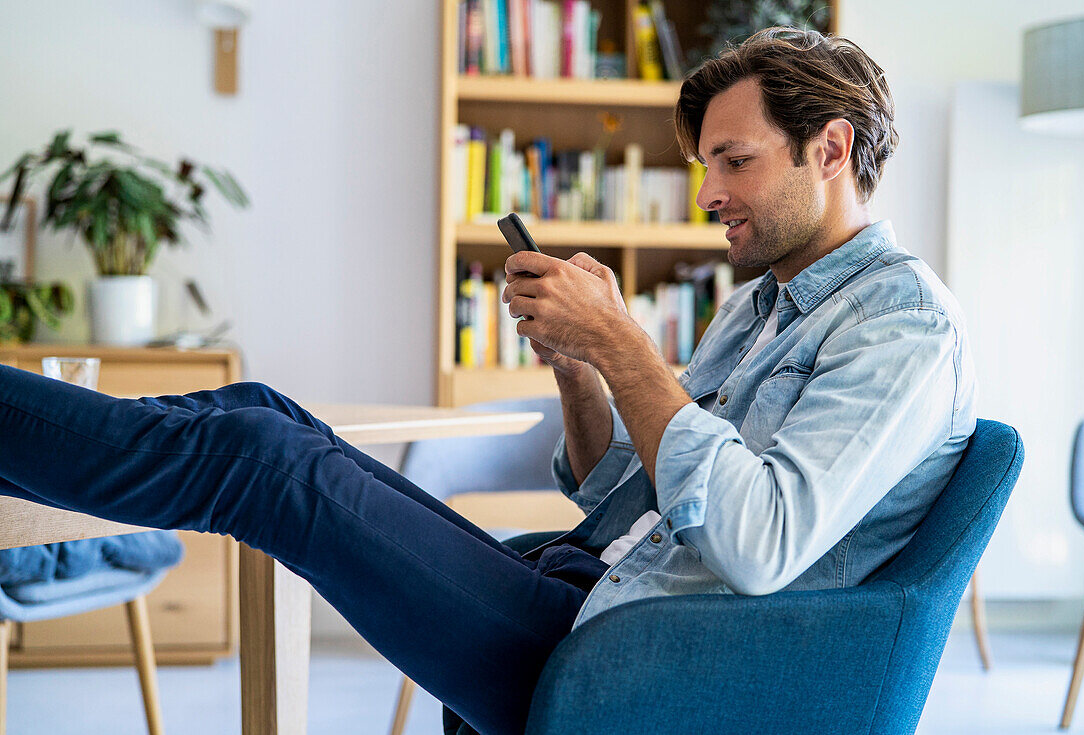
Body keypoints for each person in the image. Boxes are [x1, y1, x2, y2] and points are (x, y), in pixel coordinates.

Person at [0, 27, 973, 735]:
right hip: (583, 583)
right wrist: (585, 369)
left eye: (732, 160)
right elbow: (614, 496)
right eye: (702, 164)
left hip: (637, 651)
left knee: (262, 463)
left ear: (831, 147)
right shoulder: (760, 306)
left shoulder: (899, 326)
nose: (707, 193)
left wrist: (628, 348)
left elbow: (757, 543)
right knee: (263, 414)